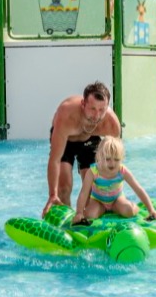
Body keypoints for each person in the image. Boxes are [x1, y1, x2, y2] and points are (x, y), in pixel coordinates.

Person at [45, 82, 122, 215]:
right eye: (92, 109)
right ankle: (65, 219)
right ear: (83, 104)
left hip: (91, 139)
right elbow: (55, 160)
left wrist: (112, 196)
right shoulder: (66, 115)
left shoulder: (111, 124)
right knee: (63, 188)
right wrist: (52, 194)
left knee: (92, 189)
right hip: (66, 141)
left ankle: (85, 218)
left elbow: (116, 162)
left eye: (101, 110)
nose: (96, 115)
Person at [74, 136, 156, 224]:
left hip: (116, 200)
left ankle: (131, 207)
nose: (112, 163)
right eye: (108, 159)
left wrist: (151, 210)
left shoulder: (122, 171)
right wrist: (79, 213)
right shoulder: (93, 171)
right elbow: (84, 193)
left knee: (129, 211)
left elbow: (138, 189)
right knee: (90, 215)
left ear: (121, 158)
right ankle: (102, 209)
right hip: (98, 201)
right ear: (99, 156)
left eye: (116, 159)